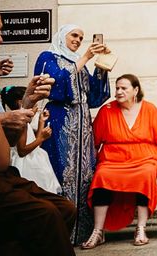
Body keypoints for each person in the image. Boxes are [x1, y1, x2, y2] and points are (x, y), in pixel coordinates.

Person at [0, 12, 77, 256]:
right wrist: (3, 118)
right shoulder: (50, 56)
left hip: (6, 175)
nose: (1, 40)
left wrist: (26, 103)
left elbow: (11, 142)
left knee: (65, 208)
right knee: (46, 215)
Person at [34, 24, 111, 244]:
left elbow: (95, 97)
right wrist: (86, 56)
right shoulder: (48, 56)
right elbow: (55, 84)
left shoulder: (79, 62)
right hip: (59, 121)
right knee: (61, 173)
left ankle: (85, 232)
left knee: (85, 175)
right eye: (74, 35)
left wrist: (101, 65)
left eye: (81, 37)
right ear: (62, 36)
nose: (78, 40)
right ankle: (61, 234)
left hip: (83, 124)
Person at [82, 74, 157, 249]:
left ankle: (141, 229)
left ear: (135, 90)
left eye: (124, 88)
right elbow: (93, 143)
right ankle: (97, 232)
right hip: (113, 160)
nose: (119, 92)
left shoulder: (149, 109)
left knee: (145, 175)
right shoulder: (106, 110)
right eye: (117, 88)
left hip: (145, 160)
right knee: (102, 175)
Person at [0, 85, 61, 194]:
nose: (36, 107)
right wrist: (42, 137)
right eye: (34, 103)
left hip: (34, 159)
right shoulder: (20, 123)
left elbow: (35, 144)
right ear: (20, 103)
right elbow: (22, 151)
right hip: (27, 165)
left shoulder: (24, 122)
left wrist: (42, 121)